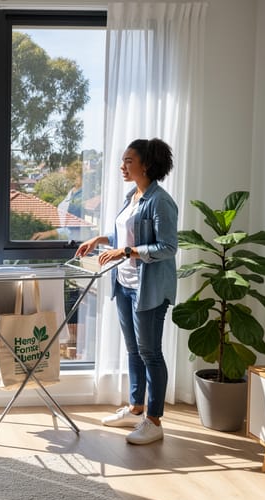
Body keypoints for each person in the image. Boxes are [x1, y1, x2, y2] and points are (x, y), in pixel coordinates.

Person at [75, 138, 177, 445]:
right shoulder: (133, 195)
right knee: (134, 351)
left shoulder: (160, 201)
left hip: (149, 290)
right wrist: (99, 240)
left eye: (128, 161)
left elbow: (168, 247)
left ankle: (154, 421)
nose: (122, 166)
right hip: (125, 285)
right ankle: (136, 408)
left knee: (151, 353)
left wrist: (126, 251)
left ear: (146, 164)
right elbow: (124, 235)